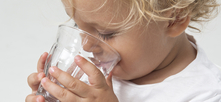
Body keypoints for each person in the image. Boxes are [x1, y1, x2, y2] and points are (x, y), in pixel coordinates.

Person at [26, 0, 221, 102]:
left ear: (174, 19)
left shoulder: (206, 94)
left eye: (106, 33)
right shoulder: (94, 75)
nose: (85, 46)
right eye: (77, 24)